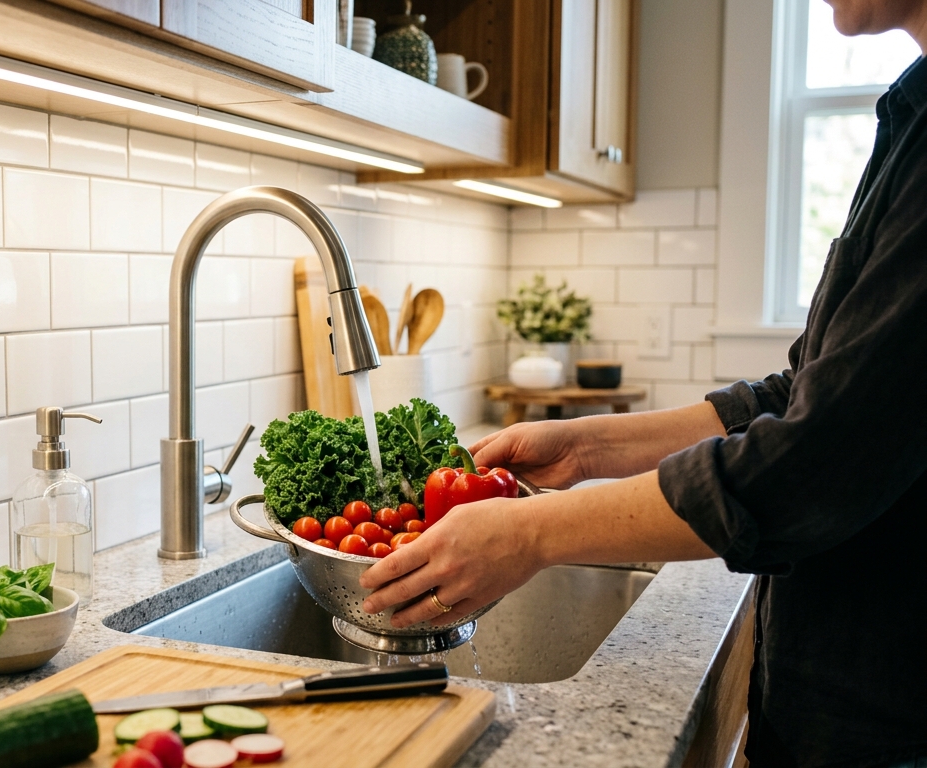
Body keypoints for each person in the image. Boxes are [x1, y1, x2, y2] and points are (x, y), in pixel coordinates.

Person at [358, 1, 927, 765]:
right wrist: (588, 448)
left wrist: (529, 534)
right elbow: (804, 396)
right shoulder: (912, 116)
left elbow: (813, 462)